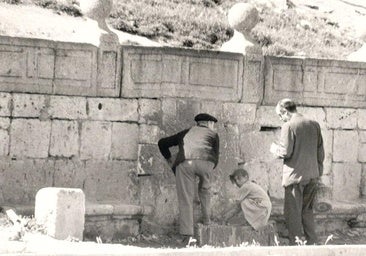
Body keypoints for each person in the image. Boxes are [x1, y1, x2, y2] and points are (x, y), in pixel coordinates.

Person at [158, 113, 220, 243]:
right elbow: (216, 157)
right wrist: (208, 168)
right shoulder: (214, 135)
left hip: (186, 163)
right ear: (208, 123)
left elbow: (162, 143)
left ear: (198, 123)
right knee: (205, 191)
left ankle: (187, 236)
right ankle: (207, 222)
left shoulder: (186, 132)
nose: (212, 126)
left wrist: (170, 160)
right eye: (212, 124)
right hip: (207, 164)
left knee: (186, 198)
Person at [270, 98, 324, 245]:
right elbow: (321, 153)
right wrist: (318, 173)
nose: (280, 119)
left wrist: (275, 150)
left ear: (284, 111)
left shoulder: (288, 126)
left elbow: (286, 152)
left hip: (294, 177)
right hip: (313, 176)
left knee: (292, 213)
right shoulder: (314, 124)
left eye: (280, 116)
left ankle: (296, 245)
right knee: (307, 211)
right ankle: (313, 243)